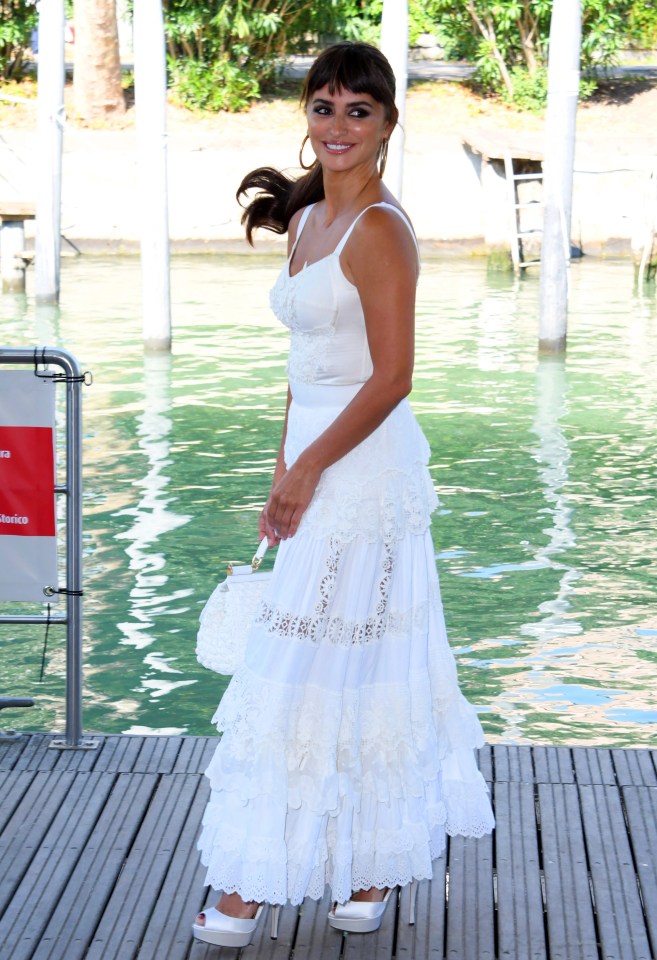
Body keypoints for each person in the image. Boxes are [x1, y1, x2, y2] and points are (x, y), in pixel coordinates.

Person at [193, 40, 495, 948]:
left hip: (366, 470)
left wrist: (312, 469)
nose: (336, 126)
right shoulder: (307, 222)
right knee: (336, 658)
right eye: (323, 107)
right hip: (318, 462)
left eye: (356, 111)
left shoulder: (380, 233)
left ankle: (257, 882)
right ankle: (359, 865)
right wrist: (281, 474)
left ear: (387, 124)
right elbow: (303, 371)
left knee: (324, 663)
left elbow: (392, 377)